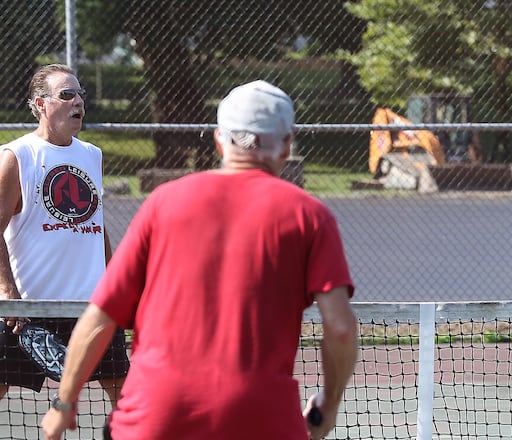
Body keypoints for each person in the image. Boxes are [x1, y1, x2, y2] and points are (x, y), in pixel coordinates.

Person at [41, 80, 359, 440]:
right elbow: (341, 328)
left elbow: (100, 317)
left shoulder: (163, 203)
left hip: (155, 417)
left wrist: (64, 404)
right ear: (287, 144)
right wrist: (328, 407)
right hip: (263, 419)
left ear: (219, 139)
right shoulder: (310, 216)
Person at [0, 64, 128, 407]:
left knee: (126, 397)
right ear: (41, 104)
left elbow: (96, 226)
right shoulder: (17, 156)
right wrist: (9, 294)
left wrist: (113, 283)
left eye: (80, 95)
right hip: (29, 308)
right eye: (67, 95)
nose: (78, 102)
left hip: (90, 305)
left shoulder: (91, 155)